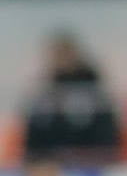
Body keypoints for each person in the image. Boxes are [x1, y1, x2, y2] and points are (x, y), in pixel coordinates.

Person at [23, 33, 121, 166]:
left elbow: (106, 137)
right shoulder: (46, 95)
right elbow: (34, 142)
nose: (60, 60)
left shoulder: (93, 92)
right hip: (52, 165)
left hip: (92, 163)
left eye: (64, 54)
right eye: (57, 55)